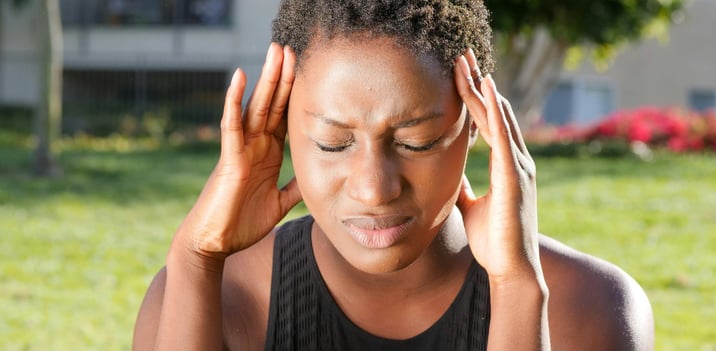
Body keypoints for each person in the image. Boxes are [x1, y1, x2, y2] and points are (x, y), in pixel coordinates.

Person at [133, 1, 654, 350]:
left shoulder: (589, 307)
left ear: (476, 125)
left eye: (416, 142)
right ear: (282, 129)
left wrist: (517, 289)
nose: (375, 188)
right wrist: (195, 258)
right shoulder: (207, 294)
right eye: (334, 143)